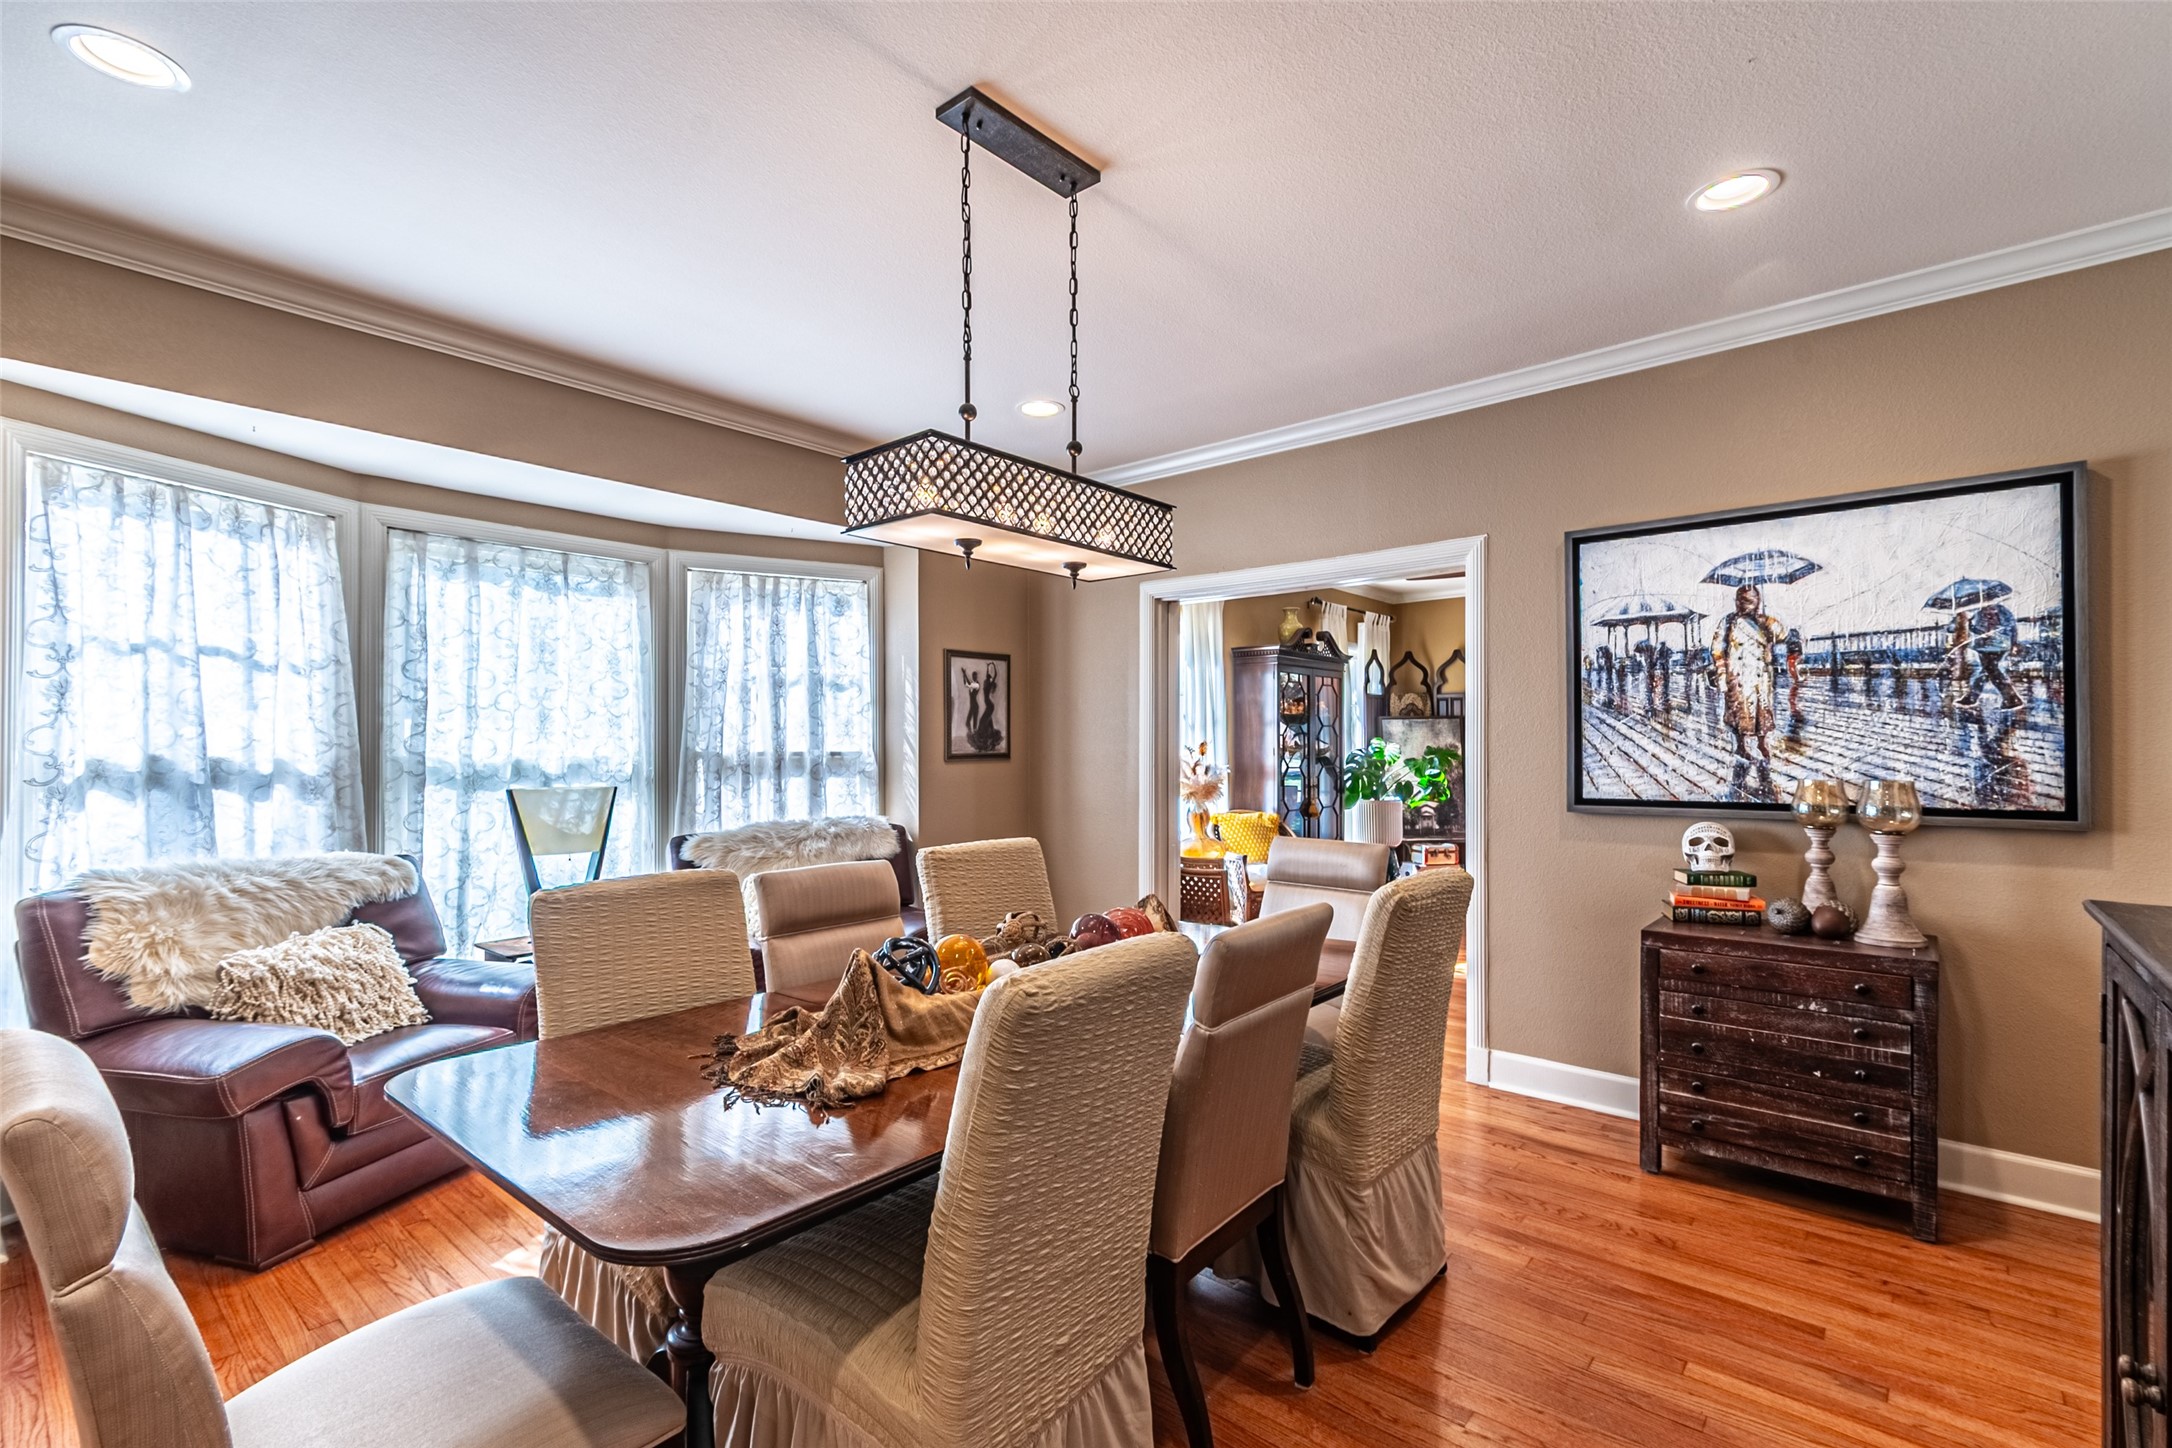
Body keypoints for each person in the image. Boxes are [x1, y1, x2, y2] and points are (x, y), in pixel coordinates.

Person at [1710, 584, 1785, 760]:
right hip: (1737, 674)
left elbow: (1781, 634)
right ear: (1737, 602)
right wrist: (1721, 674)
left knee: (1762, 711)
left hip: (1760, 675)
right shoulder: (1728, 622)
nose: (1748, 605)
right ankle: (1741, 746)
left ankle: (1761, 742)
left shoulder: (1764, 621)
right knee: (1738, 711)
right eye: (1744, 601)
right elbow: (1717, 648)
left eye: (1753, 600)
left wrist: (1766, 621)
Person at [1959, 600, 2024, 709]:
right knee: (1986, 671)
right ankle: (1972, 697)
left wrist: (2013, 643)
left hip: (1998, 646)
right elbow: (1978, 631)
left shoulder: (2002, 611)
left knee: (1991, 670)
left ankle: (2011, 698)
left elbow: (2011, 628)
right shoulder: (1979, 613)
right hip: (1983, 647)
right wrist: (1970, 624)